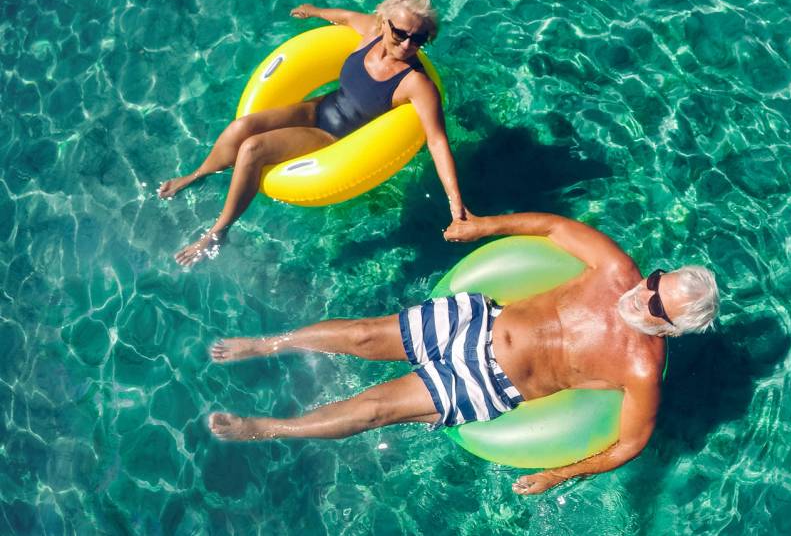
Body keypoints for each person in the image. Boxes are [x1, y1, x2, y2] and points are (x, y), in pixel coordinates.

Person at [206, 211, 719, 495]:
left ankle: (267, 428)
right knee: (364, 335)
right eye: (655, 281)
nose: (643, 293)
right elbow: (553, 229)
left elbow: (629, 445)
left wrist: (558, 474)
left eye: (656, 303)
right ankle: (270, 344)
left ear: (671, 328)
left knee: (375, 410)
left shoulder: (640, 369)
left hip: (491, 384)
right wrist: (483, 226)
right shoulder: (616, 272)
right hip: (479, 319)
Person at [159, 0, 467, 266]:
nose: (408, 44)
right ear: (383, 20)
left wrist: (457, 208)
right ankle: (198, 174)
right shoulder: (370, 32)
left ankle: (218, 232)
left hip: (332, 137)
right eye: (401, 33)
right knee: (242, 127)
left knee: (253, 148)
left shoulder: (416, 84)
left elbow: (437, 142)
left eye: (420, 39)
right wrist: (314, 10)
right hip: (317, 108)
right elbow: (345, 17)